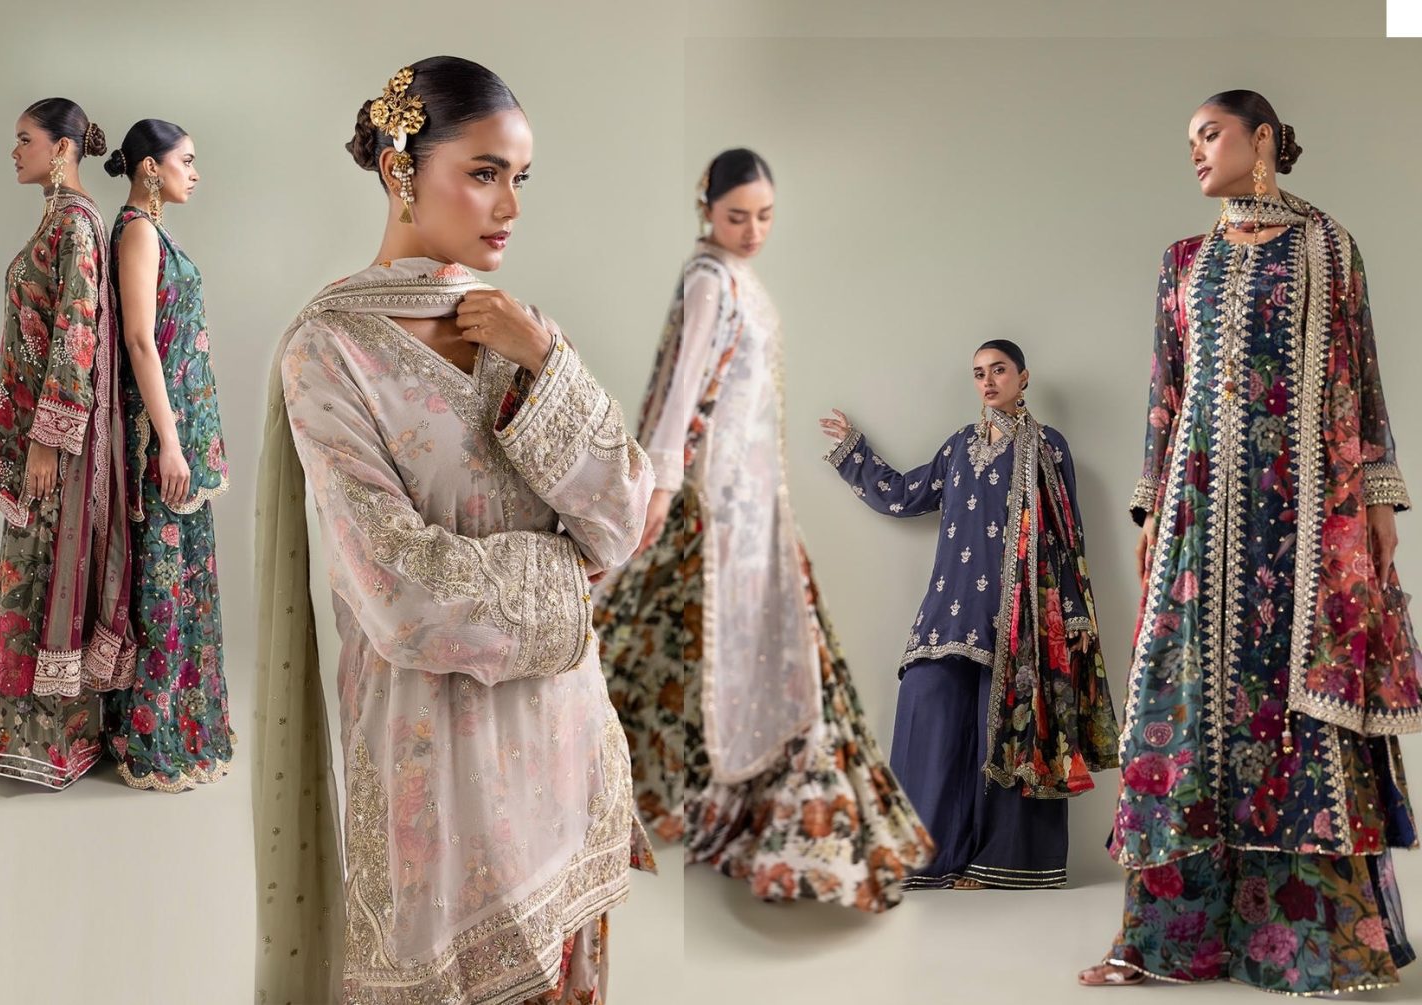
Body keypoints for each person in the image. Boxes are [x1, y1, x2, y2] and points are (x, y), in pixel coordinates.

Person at [253, 57, 655, 1004]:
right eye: (484, 173)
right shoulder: (329, 351)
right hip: (436, 778)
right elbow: (400, 596)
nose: (510, 205)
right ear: (401, 171)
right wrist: (572, 578)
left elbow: (624, 515)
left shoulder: (520, 330)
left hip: (567, 753)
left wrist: (546, 358)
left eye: (520, 177)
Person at [1079, 89, 1417, 994]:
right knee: (1186, 702)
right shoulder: (1184, 261)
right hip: (1198, 513)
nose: (1196, 152)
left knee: (1296, 705)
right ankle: (1169, 940)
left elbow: (1361, 372)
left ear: (1260, 137)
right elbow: (1166, 393)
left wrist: (1380, 499)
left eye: (1210, 133)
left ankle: (1312, 943)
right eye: (1189, 140)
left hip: (1303, 515)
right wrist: (1152, 510)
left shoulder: (1328, 247)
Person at [596, 148, 933, 912]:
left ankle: (769, 829)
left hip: (758, 499)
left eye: (765, 217)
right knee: (679, 638)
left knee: (767, 646)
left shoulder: (743, 279)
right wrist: (663, 483)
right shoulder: (708, 279)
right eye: (737, 216)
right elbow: (683, 387)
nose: (752, 231)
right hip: (715, 497)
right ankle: (679, 807)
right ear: (707, 209)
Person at [821, 339, 1117, 890]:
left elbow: (1066, 533)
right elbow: (906, 494)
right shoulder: (959, 446)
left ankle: (1002, 864)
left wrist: (1075, 613)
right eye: (979, 373)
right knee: (928, 711)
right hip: (949, 610)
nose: (988, 381)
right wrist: (855, 453)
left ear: (1023, 377)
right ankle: (924, 857)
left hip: (1019, 616)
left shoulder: (1047, 446)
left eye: (998, 370)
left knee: (1006, 730)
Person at [0, 98, 134, 789]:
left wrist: (48, 440)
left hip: (55, 443)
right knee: (25, 575)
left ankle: (52, 742)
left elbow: (77, 331)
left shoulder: (77, 224)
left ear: (63, 148)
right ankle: (15, 733)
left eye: (25, 139)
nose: (14, 150)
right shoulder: (56, 219)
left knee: (41, 576)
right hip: (34, 432)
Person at [100, 119, 232, 792]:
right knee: (162, 581)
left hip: (178, 429)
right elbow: (139, 340)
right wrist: (170, 441)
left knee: (182, 579)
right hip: (160, 436)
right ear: (150, 167)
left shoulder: (154, 230)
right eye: (187, 160)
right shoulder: (139, 232)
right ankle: (151, 738)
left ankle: (182, 728)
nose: (196, 172)